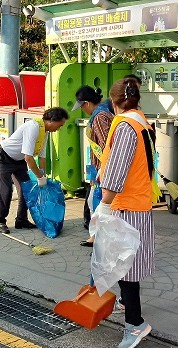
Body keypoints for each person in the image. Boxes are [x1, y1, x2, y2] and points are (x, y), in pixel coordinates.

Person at [96, 77, 155, 348]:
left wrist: (103, 206)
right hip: (138, 201)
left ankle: (136, 323)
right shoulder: (141, 120)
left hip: (126, 205)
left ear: (114, 101)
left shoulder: (125, 127)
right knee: (127, 262)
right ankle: (124, 302)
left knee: (126, 265)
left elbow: (118, 172)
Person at [0, 107, 68, 234]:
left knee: (27, 189)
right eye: (59, 125)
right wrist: (39, 177)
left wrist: (42, 173)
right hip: (3, 157)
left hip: (19, 160)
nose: (58, 129)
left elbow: (42, 156)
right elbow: (28, 157)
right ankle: (0, 221)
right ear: (51, 120)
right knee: (5, 190)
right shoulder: (33, 127)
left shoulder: (45, 131)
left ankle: (21, 220)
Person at [71, 85, 114, 246]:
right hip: (98, 167)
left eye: (81, 106)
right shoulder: (103, 113)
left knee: (99, 205)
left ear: (87, 103)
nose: (82, 109)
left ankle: (100, 239)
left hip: (102, 169)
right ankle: (95, 237)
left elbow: (106, 147)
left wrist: (103, 171)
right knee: (93, 203)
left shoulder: (99, 117)